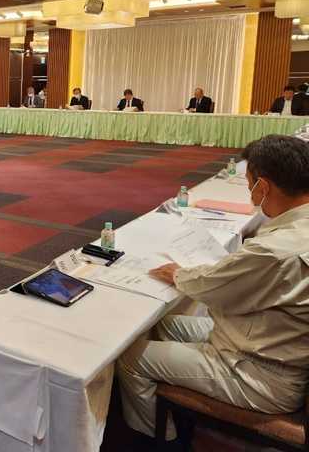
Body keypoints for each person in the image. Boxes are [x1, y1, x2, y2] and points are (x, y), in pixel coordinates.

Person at [117, 135, 309, 445]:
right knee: (163, 324)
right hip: (266, 339)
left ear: (263, 186)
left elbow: (213, 285)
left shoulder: (274, 250)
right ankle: (174, 407)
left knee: (129, 356)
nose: (250, 193)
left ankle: (159, 440)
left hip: (259, 374)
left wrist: (177, 274)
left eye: (249, 185)